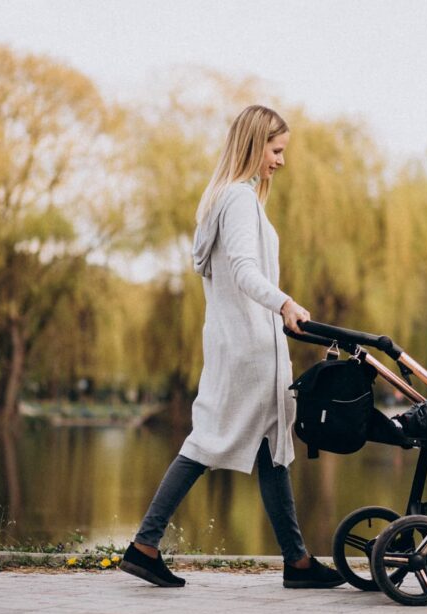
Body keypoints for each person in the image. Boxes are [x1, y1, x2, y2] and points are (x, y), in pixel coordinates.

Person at [120, 105, 344, 589]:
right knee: (209, 442)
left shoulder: (224, 200)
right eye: (276, 150)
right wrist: (284, 302)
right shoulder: (239, 201)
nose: (281, 162)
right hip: (251, 348)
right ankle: (144, 544)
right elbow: (244, 271)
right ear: (253, 145)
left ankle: (297, 561)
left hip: (237, 345)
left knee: (271, 447)